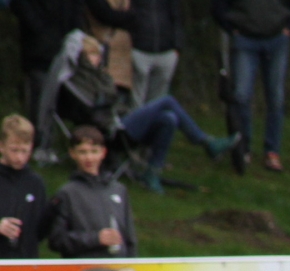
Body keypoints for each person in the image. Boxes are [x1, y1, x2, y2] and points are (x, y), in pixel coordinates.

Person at [44, 31, 234, 192]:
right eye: (91, 55)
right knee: (166, 101)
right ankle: (205, 141)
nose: (96, 58)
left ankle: (152, 173)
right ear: (81, 56)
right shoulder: (79, 79)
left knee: (168, 118)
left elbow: (110, 98)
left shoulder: (100, 74)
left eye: (97, 54)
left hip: (119, 119)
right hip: (110, 130)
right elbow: (94, 108)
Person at [212, 0, 290, 174]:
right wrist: (231, 28)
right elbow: (218, 6)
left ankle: (272, 151)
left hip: (277, 38)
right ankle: (243, 149)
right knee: (241, 95)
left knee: (276, 97)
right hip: (245, 38)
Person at [6, 0, 89, 158]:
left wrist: (75, 34)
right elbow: (20, 6)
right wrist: (39, 30)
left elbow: (77, 11)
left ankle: (48, 144)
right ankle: (36, 144)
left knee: (57, 101)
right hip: (38, 53)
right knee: (39, 100)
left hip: (66, 50)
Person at [45, 124, 134, 257]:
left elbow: (130, 239)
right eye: (83, 152)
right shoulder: (67, 193)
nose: (89, 158)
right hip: (83, 266)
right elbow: (56, 240)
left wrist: (133, 264)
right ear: (72, 153)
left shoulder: (118, 190)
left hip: (117, 266)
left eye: (94, 151)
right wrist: (96, 239)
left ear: (103, 153)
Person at [82, 0, 182, 105]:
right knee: (133, 100)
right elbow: (104, 13)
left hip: (161, 51)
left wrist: (177, 46)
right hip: (129, 51)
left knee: (157, 100)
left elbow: (176, 17)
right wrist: (135, 19)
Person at [0, 114, 48, 259]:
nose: (19, 157)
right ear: (2, 146)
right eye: (14, 150)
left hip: (25, 261)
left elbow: (41, 230)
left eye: (24, 151)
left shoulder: (36, 183)